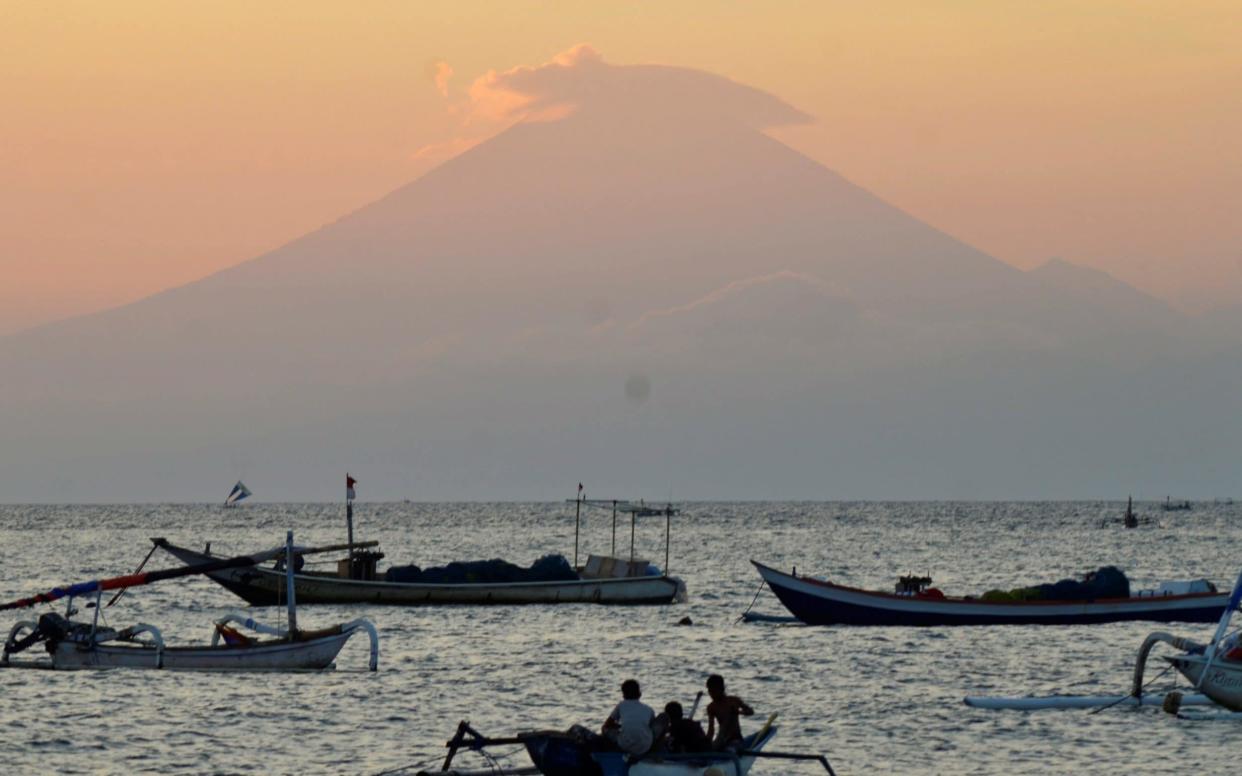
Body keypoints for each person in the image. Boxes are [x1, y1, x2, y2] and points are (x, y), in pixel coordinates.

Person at [602, 679, 655, 756]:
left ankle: (610, 750)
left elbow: (607, 724)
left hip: (625, 745)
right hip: (645, 746)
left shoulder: (621, 705)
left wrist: (620, 727)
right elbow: (649, 727)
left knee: (604, 728)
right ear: (639, 694)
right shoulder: (649, 709)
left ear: (623, 695)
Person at [705, 674, 753, 750]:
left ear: (721, 689)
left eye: (713, 691)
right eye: (709, 691)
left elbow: (750, 712)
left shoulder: (734, 701)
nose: (711, 694)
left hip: (735, 739)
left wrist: (738, 712)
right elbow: (711, 730)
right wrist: (707, 744)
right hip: (721, 740)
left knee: (731, 748)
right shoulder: (711, 707)